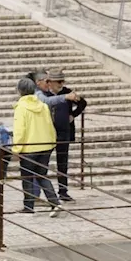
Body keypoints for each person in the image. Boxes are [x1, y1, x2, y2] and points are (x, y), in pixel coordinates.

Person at [11, 77, 61, 216]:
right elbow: (50, 125)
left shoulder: (21, 108)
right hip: (45, 145)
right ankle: (54, 202)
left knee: (27, 177)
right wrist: (52, 143)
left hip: (29, 148)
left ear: (19, 91)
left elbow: (20, 130)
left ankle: (28, 206)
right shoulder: (43, 105)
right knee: (42, 175)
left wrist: (16, 149)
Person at [40, 71, 85, 202]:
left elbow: (82, 103)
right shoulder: (44, 95)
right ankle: (39, 193)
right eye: (59, 82)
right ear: (50, 82)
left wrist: (73, 115)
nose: (61, 84)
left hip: (64, 132)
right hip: (47, 132)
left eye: (62, 81)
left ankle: (63, 191)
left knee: (63, 162)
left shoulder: (67, 92)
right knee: (42, 162)